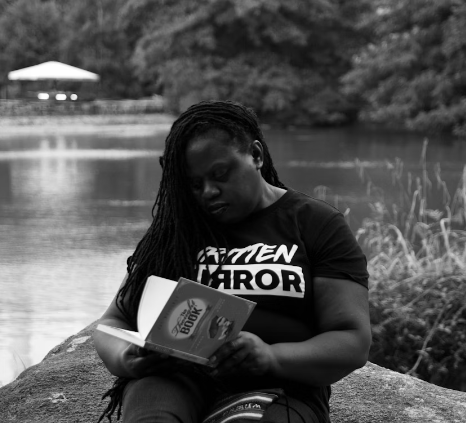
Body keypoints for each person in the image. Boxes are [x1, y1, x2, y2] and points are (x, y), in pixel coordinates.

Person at [94, 100, 371, 423]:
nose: (208, 192)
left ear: (256, 155)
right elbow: (112, 324)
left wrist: (271, 357)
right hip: (175, 380)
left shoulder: (315, 223)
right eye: (195, 185)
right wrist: (128, 358)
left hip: (280, 386)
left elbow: (352, 341)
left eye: (220, 174)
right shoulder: (177, 232)